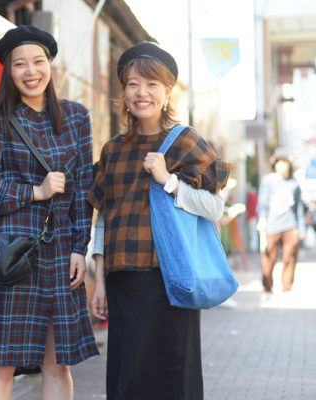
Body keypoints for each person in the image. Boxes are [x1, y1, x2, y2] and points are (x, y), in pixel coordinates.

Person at [88, 42, 231, 400]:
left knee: (173, 379)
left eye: (152, 84)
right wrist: (100, 281)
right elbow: (104, 216)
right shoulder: (113, 150)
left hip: (170, 279)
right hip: (123, 281)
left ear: (167, 92)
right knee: (127, 381)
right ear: (124, 92)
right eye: (133, 84)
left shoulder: (186, 142)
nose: (142, 93)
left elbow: (215, 207)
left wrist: (169, 181)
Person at [0, 25, 99, 400]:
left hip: (60, 254)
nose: (31, 71)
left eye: (38, 61)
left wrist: (79, 248)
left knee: (57, 364)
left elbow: (82, 189)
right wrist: (35, 192)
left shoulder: (75, 117)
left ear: (50, 64)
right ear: (7, 70)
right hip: (10, 253)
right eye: (20, 64)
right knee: (1, 362)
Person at [257, 155, 305, 298]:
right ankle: (267, 288)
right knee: (268, 257)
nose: (282, 165)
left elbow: (299, 207)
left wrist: (300, 227)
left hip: (290, 225)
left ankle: (287, 288)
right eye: (279, 163)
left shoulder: (294, 183)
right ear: (275, 165)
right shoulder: (268, 181)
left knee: (290, 258)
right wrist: (262, 219)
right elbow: (263, 202)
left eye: (285, 163)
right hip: (272, 225)